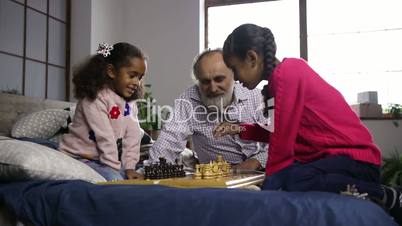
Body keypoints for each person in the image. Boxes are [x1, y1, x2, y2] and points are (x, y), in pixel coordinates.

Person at [212, 23, 401, 224]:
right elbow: (277, 130)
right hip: (333, 162)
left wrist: (267, 192)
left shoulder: (289, 71)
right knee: (290, 175)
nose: (236, 79)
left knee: (293, 177)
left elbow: (281, 145)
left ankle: (384, 194)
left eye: (234, 68)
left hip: (354, 161)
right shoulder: (276, 84)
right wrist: (238, 128)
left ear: (252, 58)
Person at [149, 49, 268, 170]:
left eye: (219, 79)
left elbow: (280, 142)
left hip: (264, 172)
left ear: (234, 75)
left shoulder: (258, 96)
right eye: (205, 81)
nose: (213, 88)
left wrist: (256, 161)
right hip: (218, 180)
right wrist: (154, 171)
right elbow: (168, 141)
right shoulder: (188, 99)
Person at [59, 42, 145, 181]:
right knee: (115, 179)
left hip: (103, 160)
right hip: (79, 156)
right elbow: (105, 137)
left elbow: (133, 136)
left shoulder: (130, 103)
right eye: (132, 75)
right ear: (111, 71)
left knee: (136, 175)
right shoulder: (95, 99)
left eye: (140, 78)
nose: (137, 82)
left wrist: (130, 167)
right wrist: (114, 168)